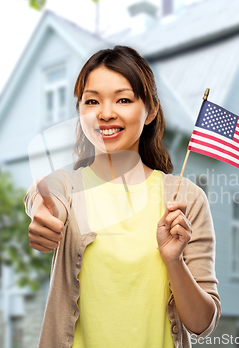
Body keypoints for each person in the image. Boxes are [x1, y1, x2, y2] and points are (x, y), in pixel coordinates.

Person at [24, 45, 220, 348]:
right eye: (92, 101)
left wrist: (174, 261)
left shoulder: (185, 198)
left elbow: (201, 324)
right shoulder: (68, 186)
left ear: (151, 110)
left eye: (123, 99)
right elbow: (45, 197)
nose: (105, 113)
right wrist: (45, 214)